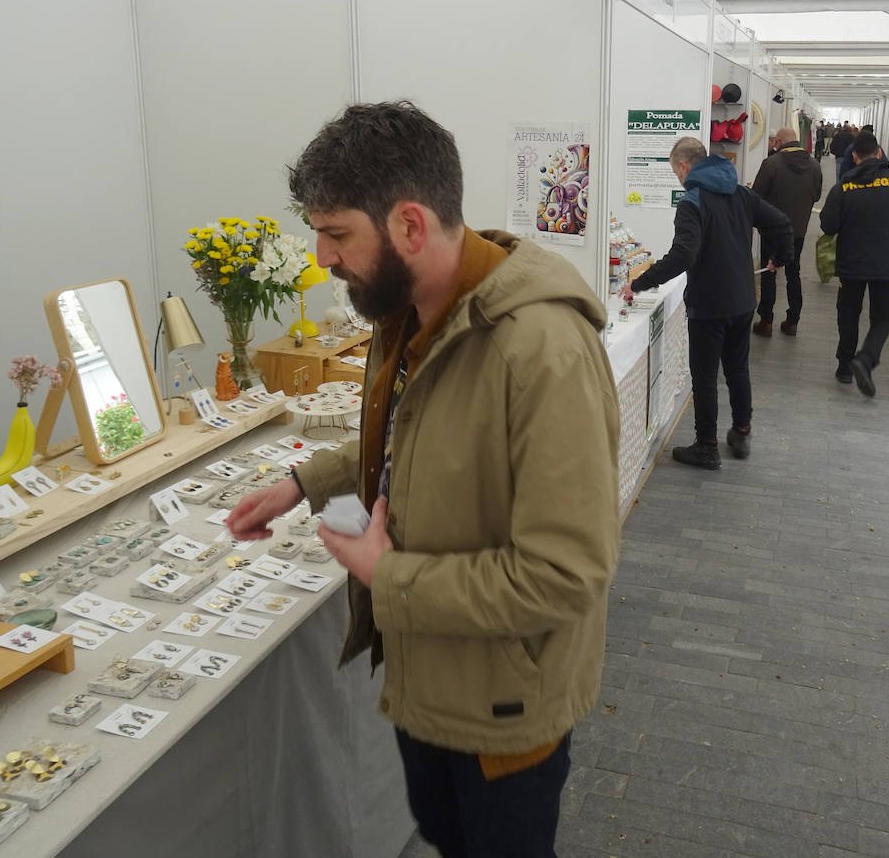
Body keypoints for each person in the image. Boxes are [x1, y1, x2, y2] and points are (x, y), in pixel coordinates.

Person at [226, 101, 621, 856]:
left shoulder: (544, 351)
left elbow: (566, 574)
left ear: (410, 224)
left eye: (337, 232)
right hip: (426, 684)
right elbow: (415, 442)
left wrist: (390, 576)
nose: (321, 257)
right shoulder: (403, 312)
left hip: (504, 712)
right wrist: (303, 483)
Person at [624, 136, 792, 469]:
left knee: (704, 377)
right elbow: (783, 224)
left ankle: (706, 446)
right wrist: (779, 258)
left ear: (684, 166)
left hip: (709, 303)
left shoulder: (692, 201)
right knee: (737, 369)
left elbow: (685, 254)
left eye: (675, 172)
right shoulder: (741, 192)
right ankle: (742, 431)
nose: (678, 178)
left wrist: (640, 283)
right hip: (743, 298)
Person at [819, 131, 889, 397]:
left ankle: (844, 367)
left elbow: (829, 226)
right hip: (888, 263)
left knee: (848, 315)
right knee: (884, 318)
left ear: (854, 156)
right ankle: (866, 358)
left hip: (852, 263)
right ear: (879, 154)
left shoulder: (842, 188)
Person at [751, 126, 823, 337]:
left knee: (769, 273)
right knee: (794, 273)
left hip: (771, 230)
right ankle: (792, 321)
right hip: (798, 230)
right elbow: (817, 196)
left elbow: (756, 197)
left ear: (779, 142)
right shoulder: (815, 165)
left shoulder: (771, 164)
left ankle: (766, 321)